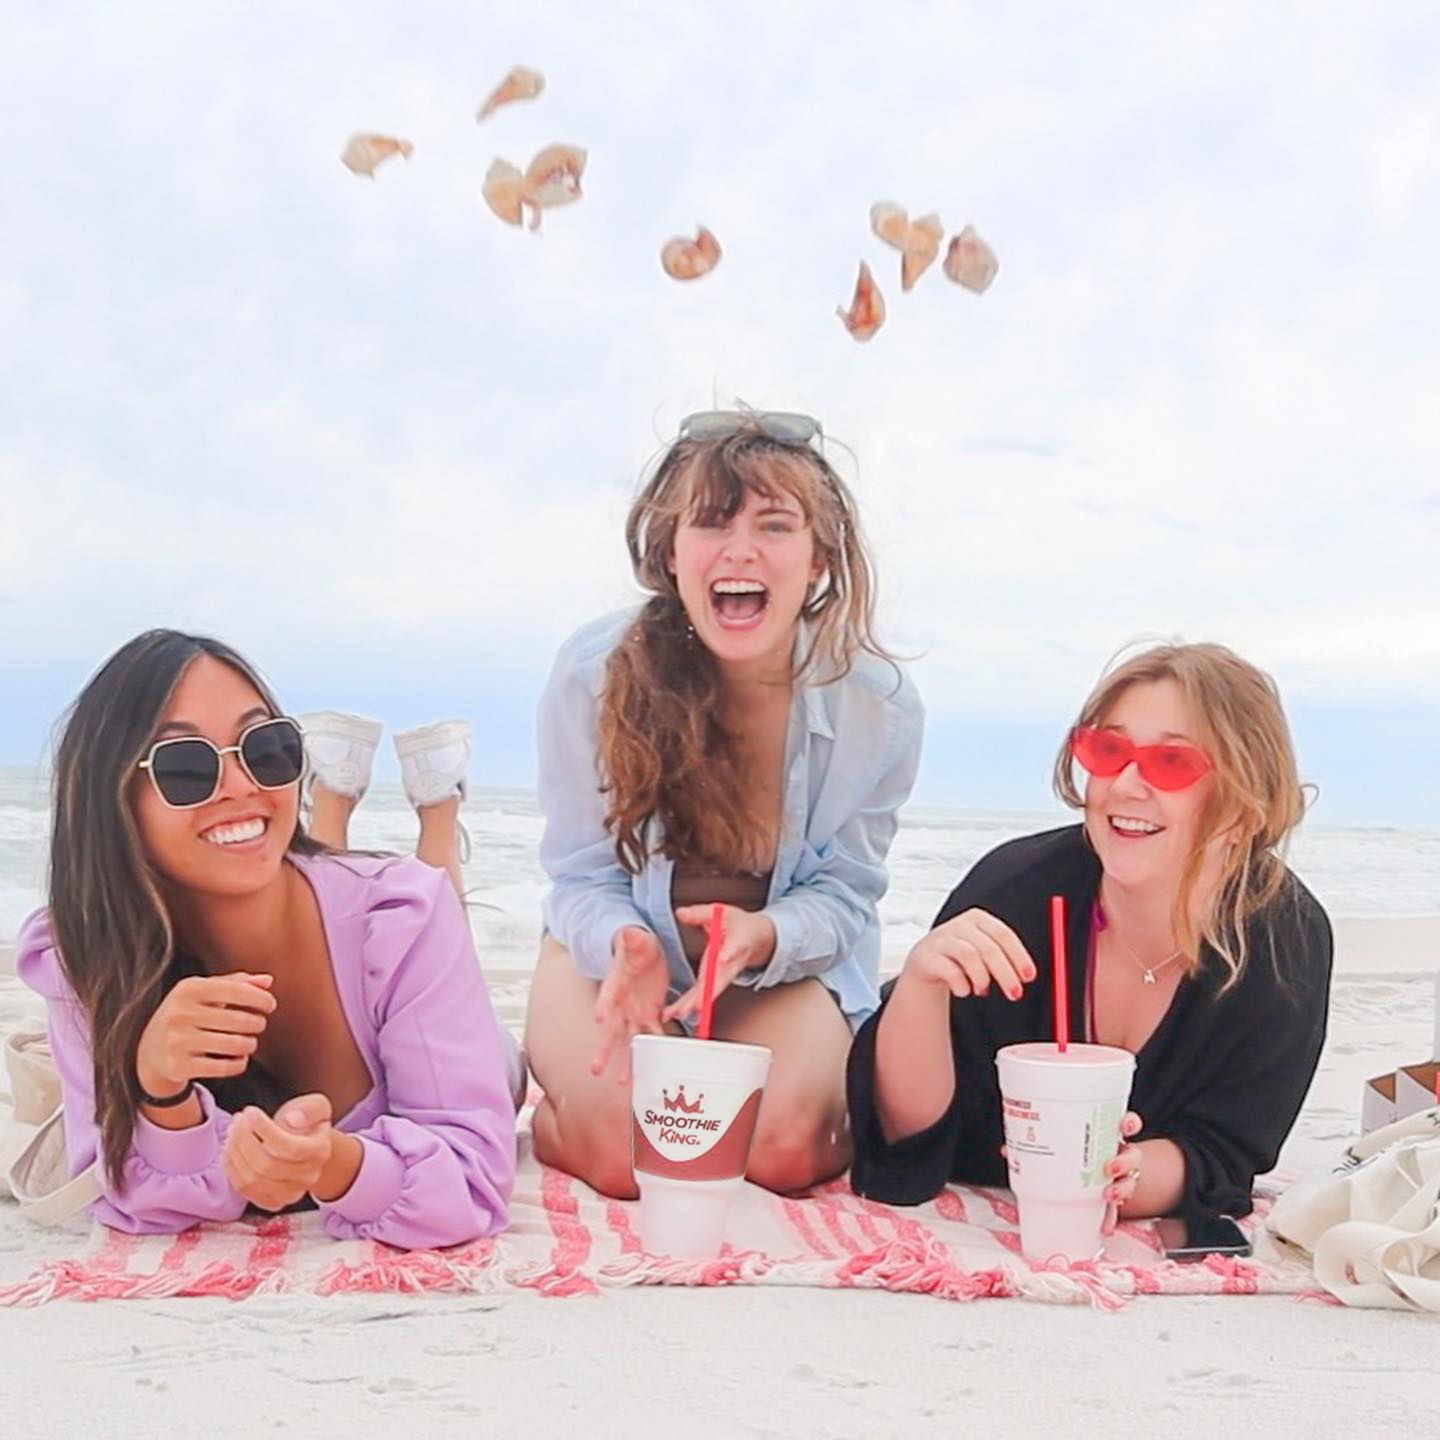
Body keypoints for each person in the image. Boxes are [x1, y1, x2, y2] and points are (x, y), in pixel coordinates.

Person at [526, 410, 923, 1199]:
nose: (741, 550)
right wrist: (625, 945)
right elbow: (579, 874)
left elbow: (848, 893)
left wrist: (767, 934)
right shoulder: (591, 673)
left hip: (775, 973)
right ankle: (553, 1116)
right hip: (612, 960)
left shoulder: (879, 705)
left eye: (774, 525)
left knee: (781, 1154)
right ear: (671, 553)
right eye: (711, 522)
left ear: (819, 558)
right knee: (624, 1158)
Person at [16, 631, 516, 1247]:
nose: (240, 785)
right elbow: (133, 1197)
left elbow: (471, 1180)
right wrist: (160, 1090)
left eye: (265, 749)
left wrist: (332, 1164)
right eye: (185, 767)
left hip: (475, 1046)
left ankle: (418, 809)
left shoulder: (402, 917)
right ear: (111, 799)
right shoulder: (89, 953)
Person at [847, 642, 1332, 1232]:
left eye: (1170, 762)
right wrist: (922, 987)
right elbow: (903, 1144)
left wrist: (1127, 1176)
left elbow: (1223, 1155)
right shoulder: (1014, 893)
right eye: (1108, 751)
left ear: (1242, 808)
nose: (1125, 783)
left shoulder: (1286, 943)